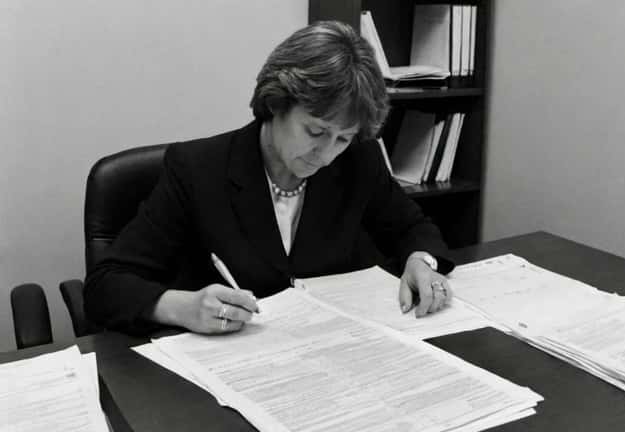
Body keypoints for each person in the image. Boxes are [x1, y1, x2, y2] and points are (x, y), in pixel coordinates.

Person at [84, 21, 454, 336]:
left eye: (342, 138)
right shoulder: (196, 170)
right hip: (225, 370)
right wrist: (183, 307)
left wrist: (421, 262)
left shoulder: (358, 161)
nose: (326, 154)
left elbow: (413, 228)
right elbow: (106, 286)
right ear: (276, 102)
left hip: (330, 355)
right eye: (315, 131)